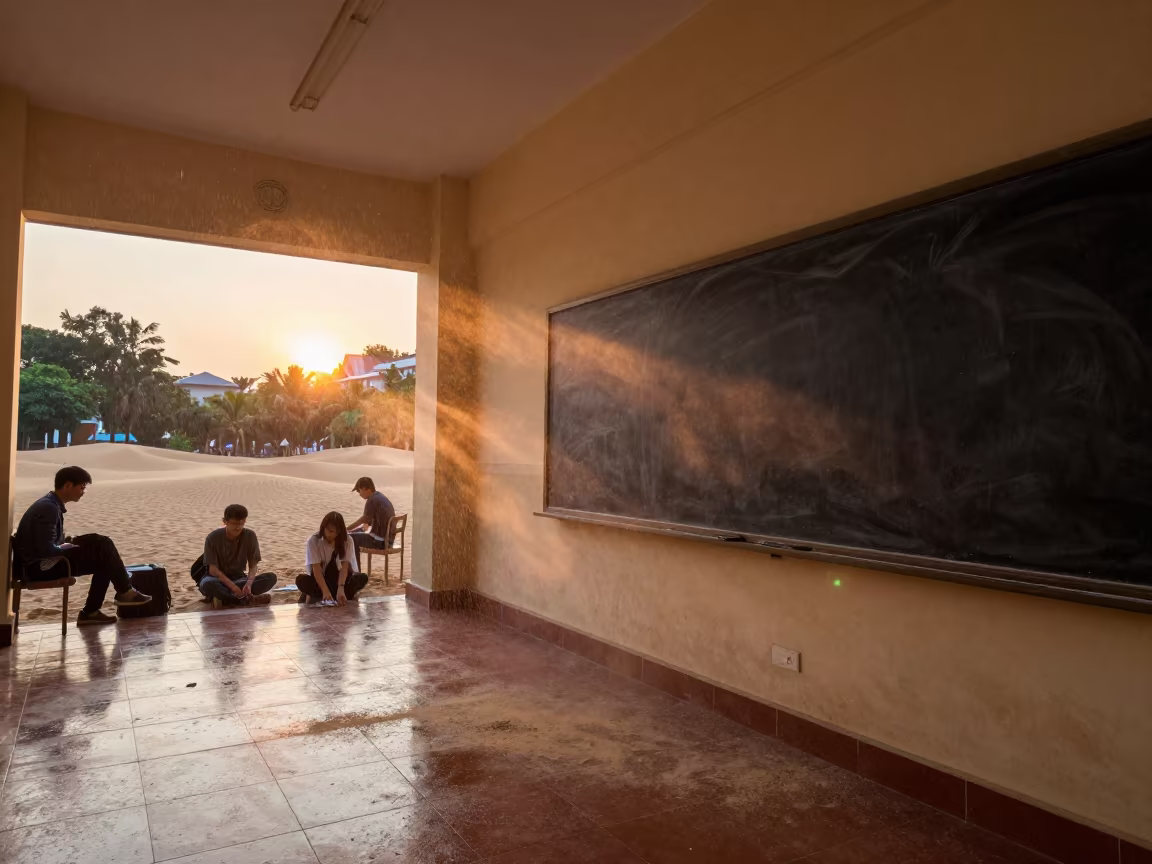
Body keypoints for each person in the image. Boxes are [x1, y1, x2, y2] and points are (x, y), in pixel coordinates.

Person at [13, 466, 152, 626]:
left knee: (103, 548)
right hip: (40, 568)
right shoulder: (48, 508)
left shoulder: (50, 504)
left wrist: (69, 543)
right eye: (82, 487)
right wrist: (66, 547)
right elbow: (45, 550)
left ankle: (99, 607)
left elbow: (46, 542)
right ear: (67, 485)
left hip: (39, 564)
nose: (83, 491)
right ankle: (120, 594)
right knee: (104, 551)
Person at [198, 504, 277, 608]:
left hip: (239, 579)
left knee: (271, 578)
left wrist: (248, 584)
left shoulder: (250, 535)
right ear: (225, 521)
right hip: (216, 579)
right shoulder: (213, 538)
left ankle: (225, 598)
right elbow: (213, 570)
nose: (239, 527)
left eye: (242, 523)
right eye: (235, 524)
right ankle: (246, 600)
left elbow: (253, 566)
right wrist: (233, 587)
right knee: (208, 585)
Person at [298, 511, 368, 606]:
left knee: (361, 578)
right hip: (321, 579)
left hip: (339, 578)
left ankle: (339, 593)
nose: (327, 533)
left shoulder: (347, 541)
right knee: (302, 580)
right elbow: (316, 569)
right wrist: (325, 591)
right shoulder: (313, 541)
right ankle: (325, 594)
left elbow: (344, 567)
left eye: (331, 531)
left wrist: (341, 587)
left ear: (339, 531)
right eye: (326, 529)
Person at [347, 476, 396, 570]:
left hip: (380, 542)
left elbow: (364, 519)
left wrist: (347, 529)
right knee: (355, 534)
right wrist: (358, 529)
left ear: (366, 489)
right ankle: (355, 569)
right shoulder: (379, 496)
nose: (359, 494)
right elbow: (367, 523)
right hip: (389, 540)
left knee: (350, 539)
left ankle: (356, 571)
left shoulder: (372, 500)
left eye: (359, 491)